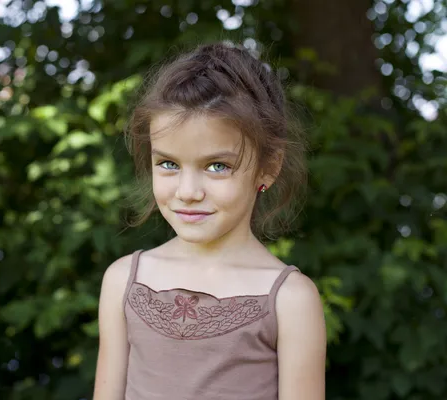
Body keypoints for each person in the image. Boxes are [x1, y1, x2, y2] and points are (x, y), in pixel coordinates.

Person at [93, 41, 326, 400]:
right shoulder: (123, 281)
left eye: (217, 166)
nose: (188, 191)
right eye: (168, 164)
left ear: (270, 167)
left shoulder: (290, 301)